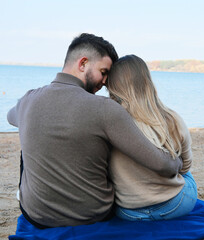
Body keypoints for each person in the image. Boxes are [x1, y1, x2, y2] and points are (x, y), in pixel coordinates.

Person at [7, 34, 182, 228]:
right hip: (93, 216)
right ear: (83, 63)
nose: (106, 82)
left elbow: (10, 117)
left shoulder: (28, 100)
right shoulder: (105, 108)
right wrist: (178, 163)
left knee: (29, 145)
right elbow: (161, 164)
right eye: (103, 71)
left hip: (36, 216)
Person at [106, 55, 197, 221]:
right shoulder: (172, 119)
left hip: (129, 212)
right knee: (187, 174)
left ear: (113, 86)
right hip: (175, 206)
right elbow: (185, 167)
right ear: (147, 82)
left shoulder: (108, 122)